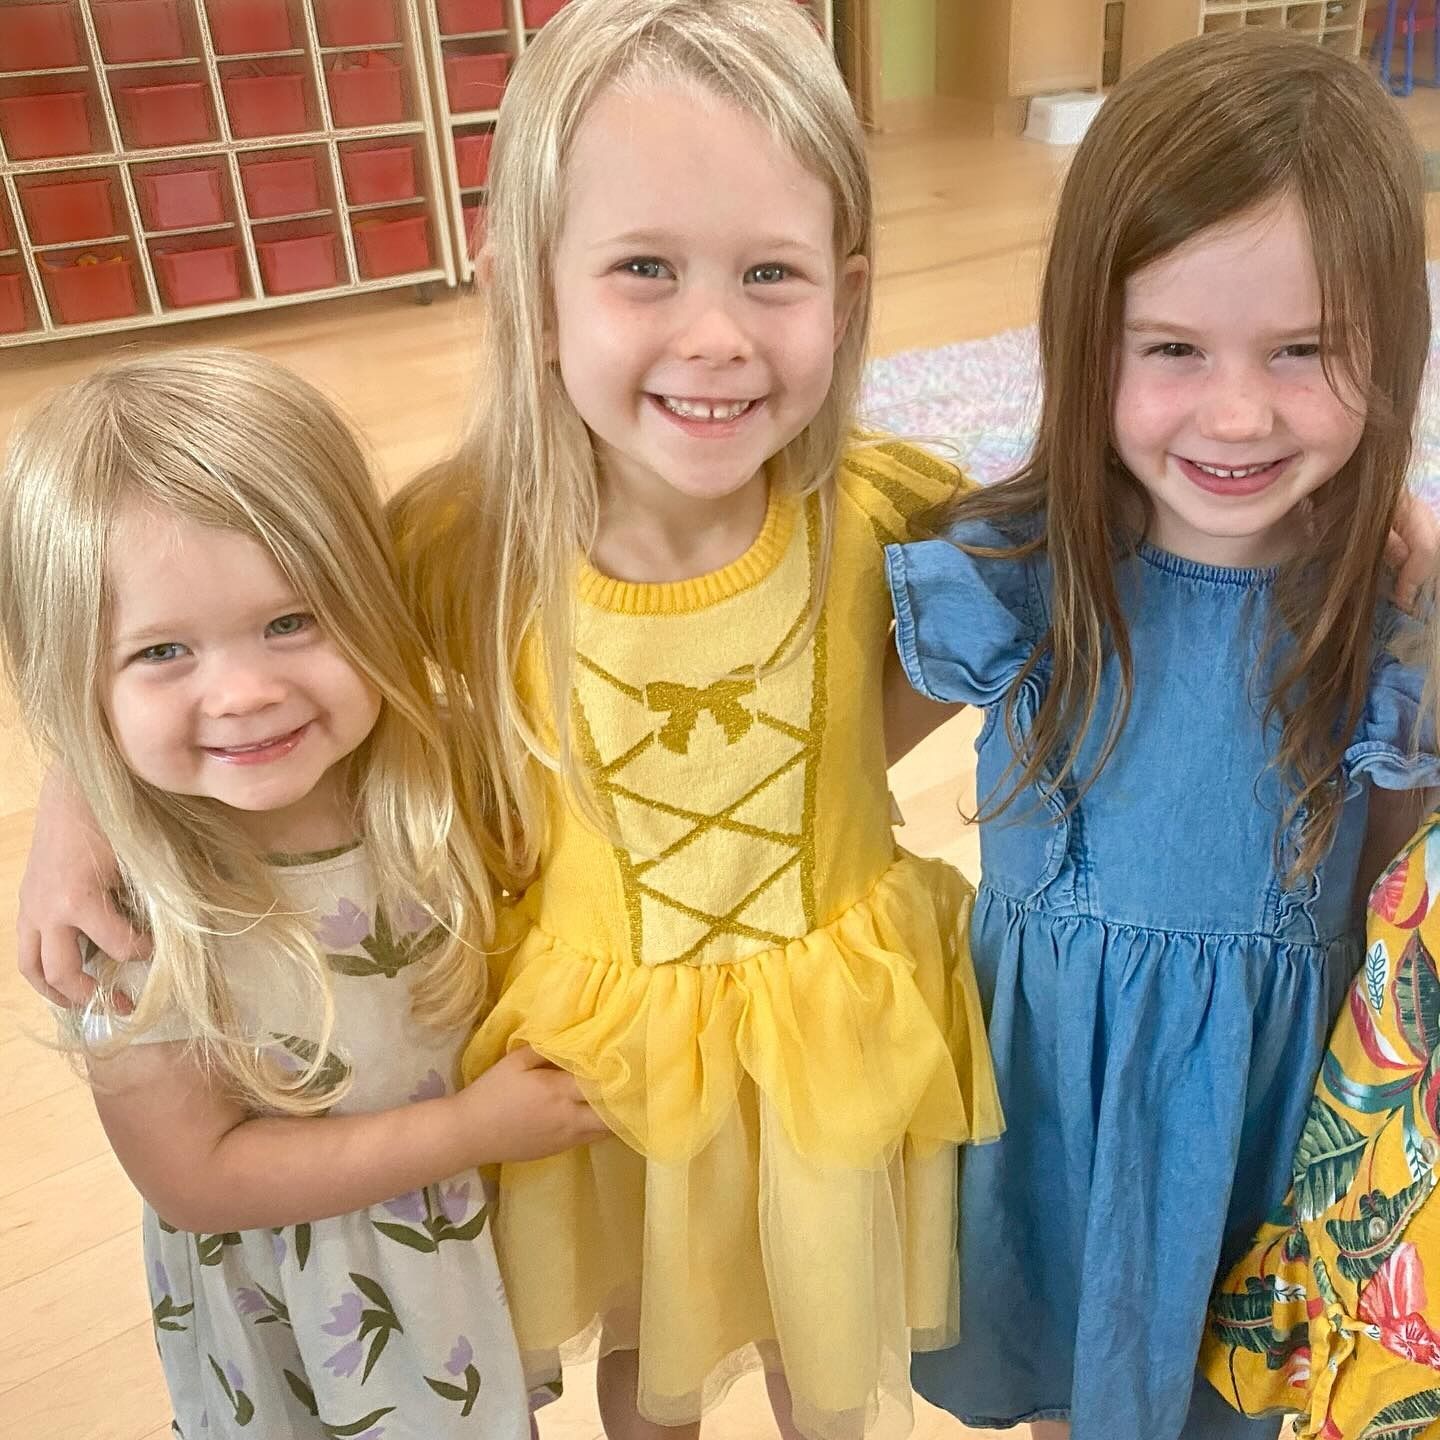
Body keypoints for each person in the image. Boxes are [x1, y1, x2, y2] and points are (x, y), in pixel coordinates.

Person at [882, 30, 1440, 1440]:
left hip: (1265, 1113)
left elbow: (1391, 891)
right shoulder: (1016, 564)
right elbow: (825, 777)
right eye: (1174, 349)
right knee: (1064, 1383)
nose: (1238, 411)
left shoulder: (1384, 611)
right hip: (1043, 1105)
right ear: (1088, 342)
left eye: (1304, 351)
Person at [0, 349, 608, 1439]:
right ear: (74, 679)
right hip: (314, 1328)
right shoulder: (119, 921)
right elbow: (199, 1179)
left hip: (453, 1273)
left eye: (292, 622)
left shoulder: (419, 761)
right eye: (163, 650)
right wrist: (470, 1131)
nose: (244, 691)